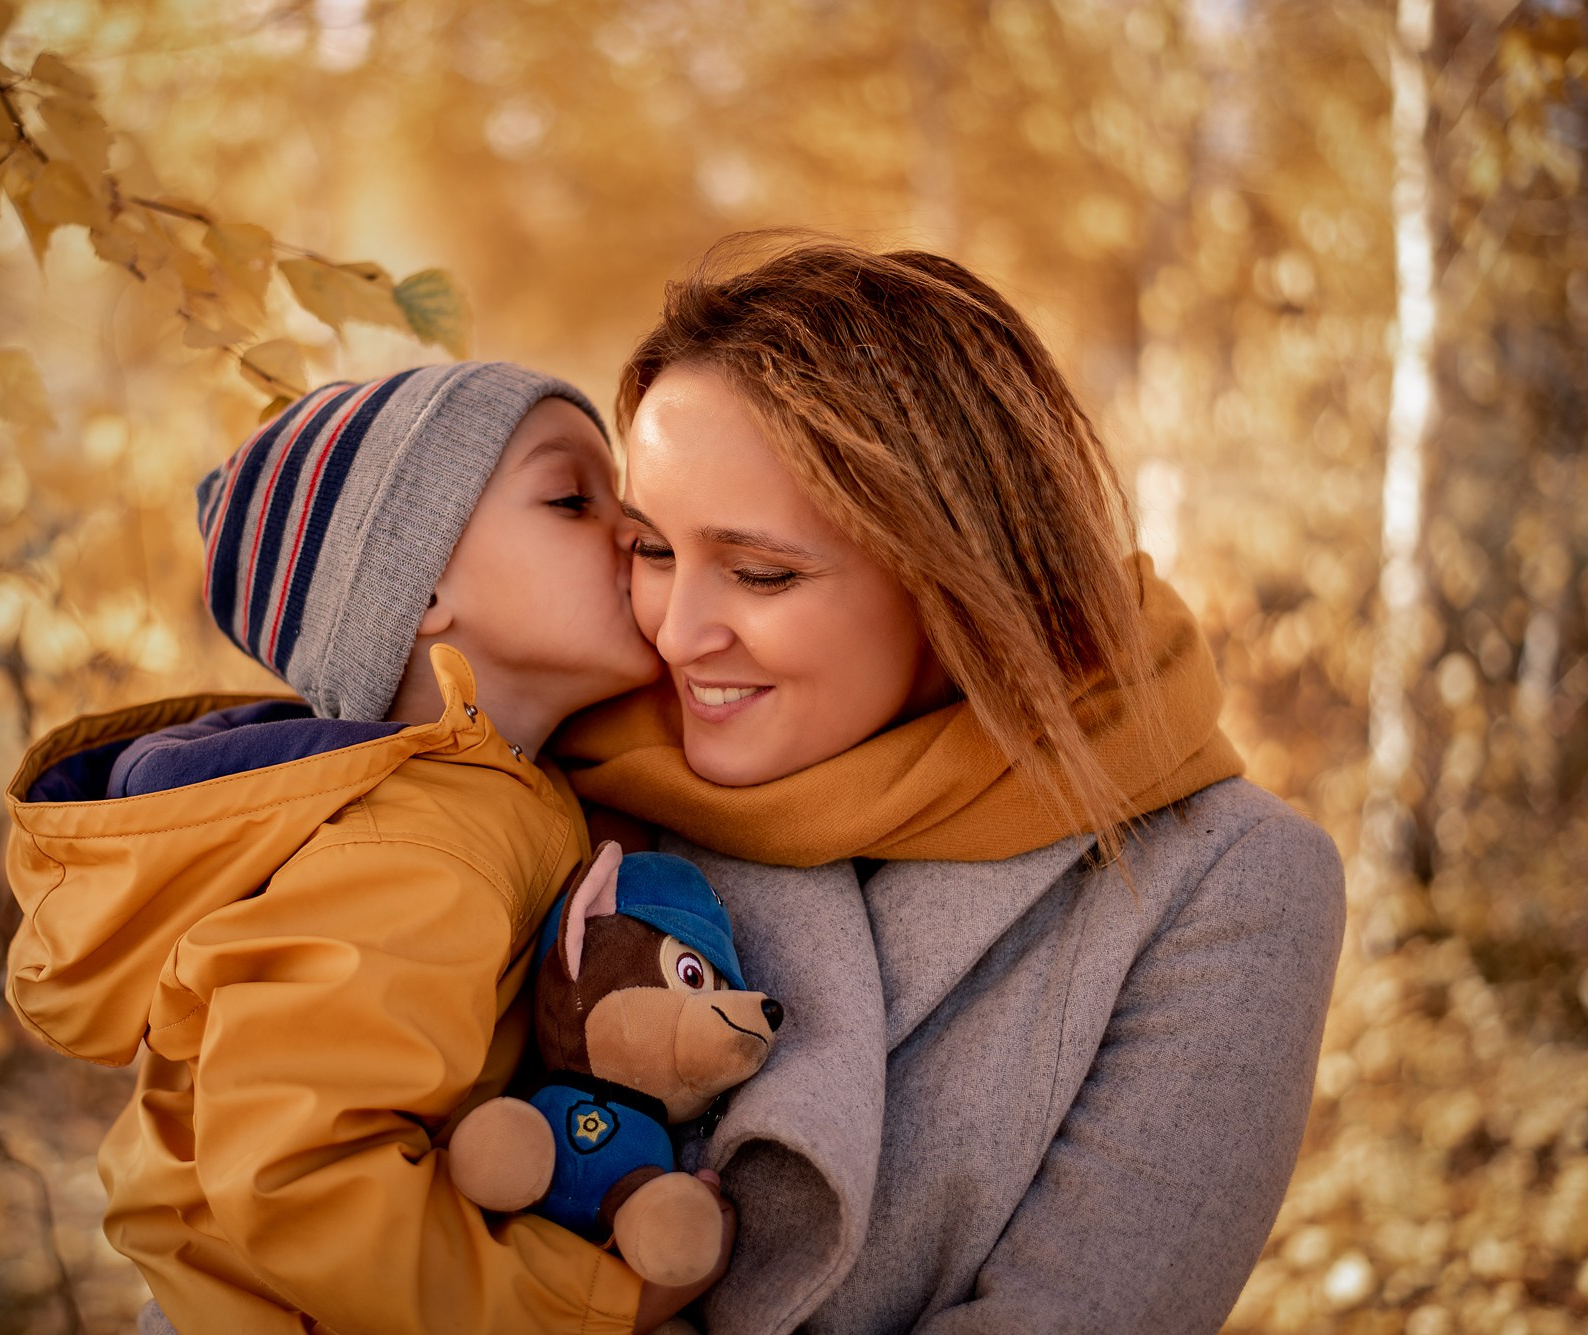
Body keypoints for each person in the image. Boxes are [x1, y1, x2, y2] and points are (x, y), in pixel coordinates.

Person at [557, 238, 1348, 1334]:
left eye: (760, 572)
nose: (679, 634)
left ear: (954, 574)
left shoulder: (1225, 878)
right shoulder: (580, 775)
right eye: (652, 552)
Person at [0, 363, 726, 1334]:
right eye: (569, 499)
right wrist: (595, 1301)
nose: (634, 532)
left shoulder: (504, 797)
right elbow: (304, 1184)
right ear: (417, 590)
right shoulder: (415, 846)